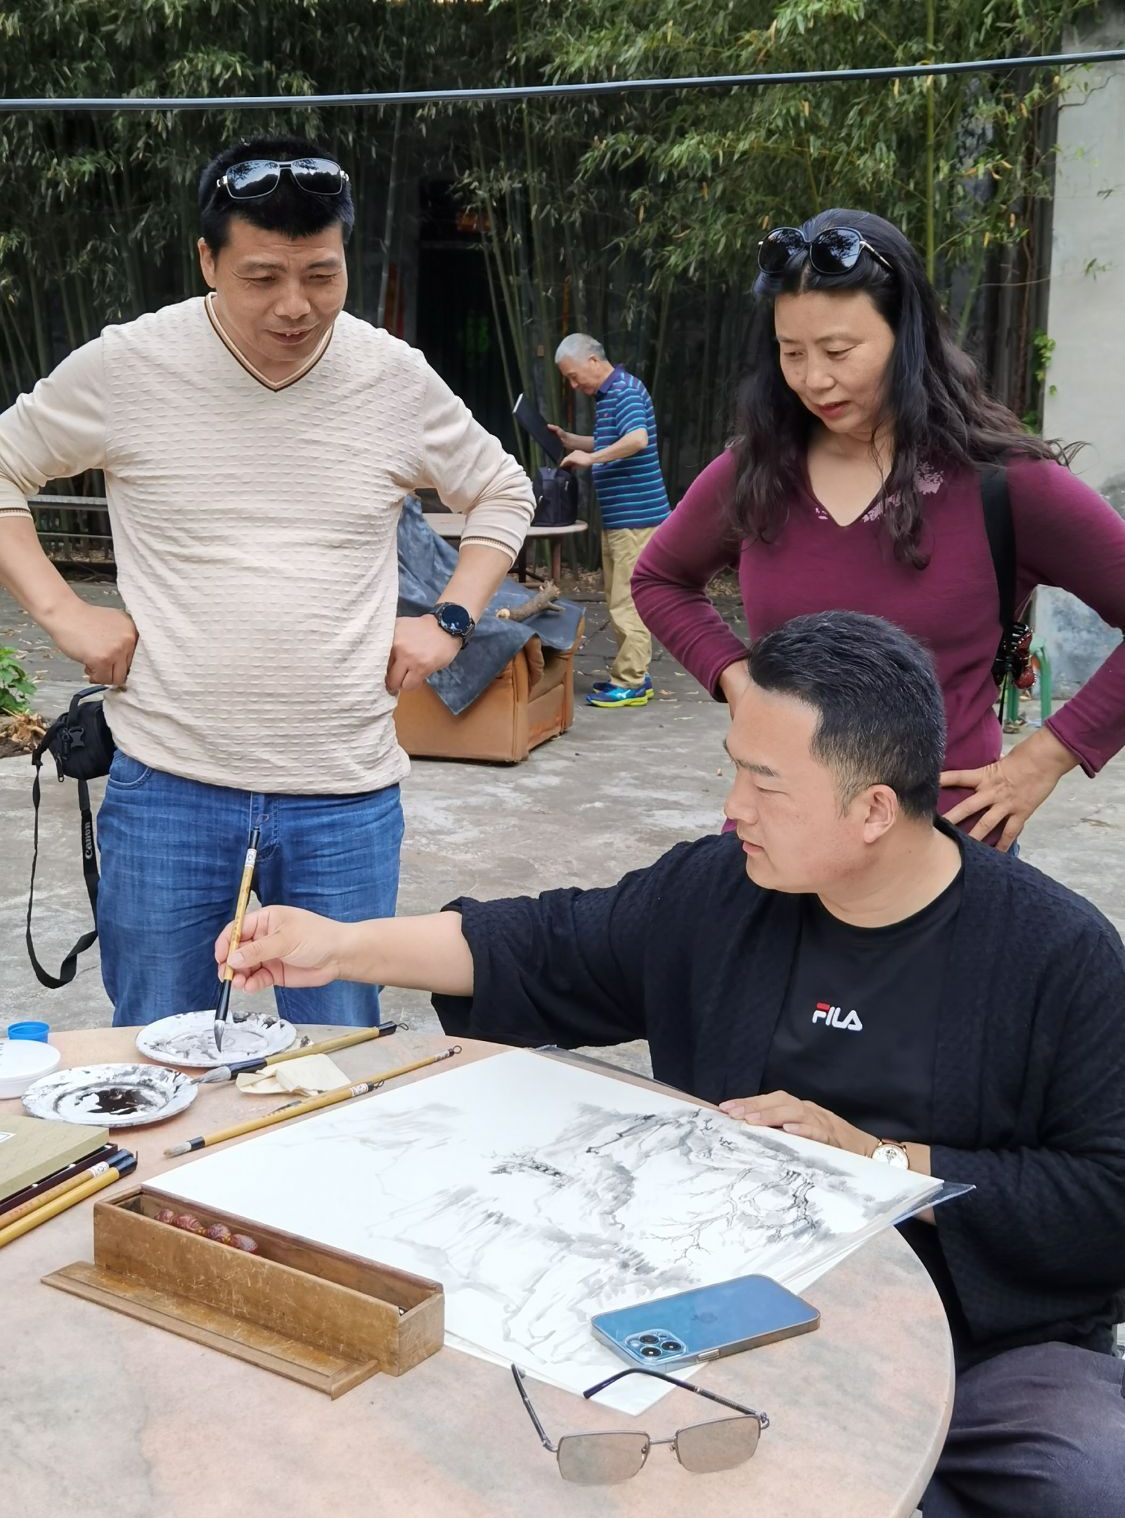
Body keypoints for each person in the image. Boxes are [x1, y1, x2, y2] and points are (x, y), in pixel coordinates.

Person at [217, 608, 1125, 1518]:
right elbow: (544, 942)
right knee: (455, 1369)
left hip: (990, 1336)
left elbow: (1109, 1197)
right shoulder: (721, 894)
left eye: (762, 781)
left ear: (872, 810)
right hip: (717, 1316)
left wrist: (888, 1160)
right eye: (730, 771)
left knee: (1095, 1501)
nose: (732, 808)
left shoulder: (1058, 958)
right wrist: (339, 943)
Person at [0, 135, 534, 1027]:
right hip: (168, 784)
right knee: (160, 1053)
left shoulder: (390, 376)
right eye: (261, 277)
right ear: (208, 261)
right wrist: (63, 613)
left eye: (320, 275)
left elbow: (501, 489)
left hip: (345, 794)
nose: (295, 305)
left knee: (332, 1057)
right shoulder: (130, 366)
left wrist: (449, 617)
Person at [630, 210, 1125, 848]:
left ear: (905, 333)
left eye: (838, 351)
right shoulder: (756, 471)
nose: (814, 379)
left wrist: (1046, 758)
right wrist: (737, 678)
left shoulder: (1003, 484)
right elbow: (660, 578)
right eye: (792, 352)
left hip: (944, 859)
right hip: (772, 847)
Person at [550, 332, 669, 710]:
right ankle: (634, 672)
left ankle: (631, 681)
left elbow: (636, 440)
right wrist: (573, 441)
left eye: (573, 376)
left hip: (637, 519)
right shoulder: (609, 396)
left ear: (593, 361)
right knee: (618, 597)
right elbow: (610, 440)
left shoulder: (625, 391)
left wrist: (591, 460)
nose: (573, 385)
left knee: (626, 600)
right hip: (622, 519)